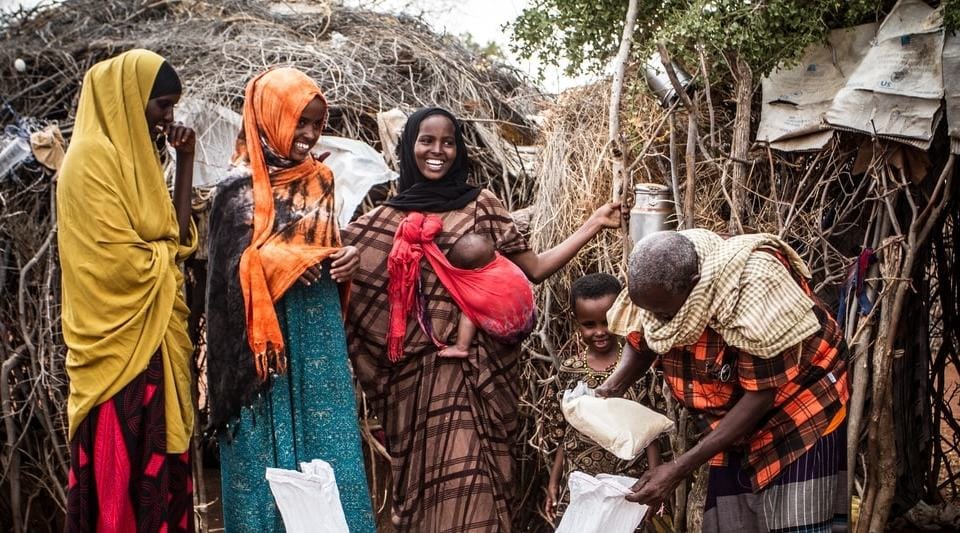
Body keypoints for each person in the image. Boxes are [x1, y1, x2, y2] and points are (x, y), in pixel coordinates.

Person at [342, 106, 623, 531]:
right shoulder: (382, 224)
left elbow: (535, 269)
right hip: (415, 391)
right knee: (428, 495)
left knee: (479, 489)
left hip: (479, 375)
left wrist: (592, 225)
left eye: (448, 142)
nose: (438, 151)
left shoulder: (482, 206)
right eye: (427, 140)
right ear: (408, 145)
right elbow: (343, 275)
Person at [204, 67, 375, 532]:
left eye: (317, 124)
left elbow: (327, 245)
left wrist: (348, 261)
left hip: (315, 333)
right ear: (269, 117)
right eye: (299, 121)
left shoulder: (321, 179)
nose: (308, 134)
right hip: (263, 345)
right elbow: (223, 280)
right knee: (266, 456)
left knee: (328, 444)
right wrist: (283, 261)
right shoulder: (235, 190)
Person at [597, 229, 849, 533]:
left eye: (663, 312)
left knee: (795, 519)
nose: (656, 321)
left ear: (692, 288)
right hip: (729, 420)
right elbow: (643, 336)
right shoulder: (656, 283)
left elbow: (761, 396)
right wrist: (613, 387)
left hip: (797, 409)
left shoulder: (755, 289)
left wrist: (678, 469)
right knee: (734, 522)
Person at [58, 49, 197, 532]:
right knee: (121, 477)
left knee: (157, 475)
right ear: (127, 99)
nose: (169, 118)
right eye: (161, 105)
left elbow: (173, 241)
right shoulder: (88, 163)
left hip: (152, 340)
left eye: (173, 106)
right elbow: (119, 266)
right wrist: (163, 257)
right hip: (115, 349)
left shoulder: (137, 162)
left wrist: (186, 162)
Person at [542, 273, 671, 532]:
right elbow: (564, 432)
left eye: (607, 322)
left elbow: (652, 433)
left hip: (628, 483)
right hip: (580, 483)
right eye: (589, 324)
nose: (600, 332)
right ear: (576, 323)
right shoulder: (570, 370)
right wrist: (554, 481)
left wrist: (654, 484)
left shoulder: (639, 367)